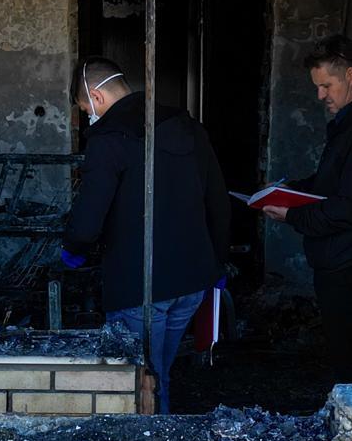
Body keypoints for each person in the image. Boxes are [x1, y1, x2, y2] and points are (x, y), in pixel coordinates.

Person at [63, 57, 229, 413]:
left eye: (84, 109)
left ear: (96, 96)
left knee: (137, 385)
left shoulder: (108, 139)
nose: (88, 117)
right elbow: (217, 198)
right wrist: (217, 261)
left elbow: (88, 220)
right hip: (191, 281)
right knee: (161, 375)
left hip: (139, 285)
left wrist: (73, 247)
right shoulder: (187, 125)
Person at [262, 34, 352, 381]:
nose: (320, 95)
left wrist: (292, 214)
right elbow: (331, 183)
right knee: (344, 352)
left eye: (326, 86)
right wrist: (288, 191)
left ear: (351, 76)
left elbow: (349, 208)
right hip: (342, 258)